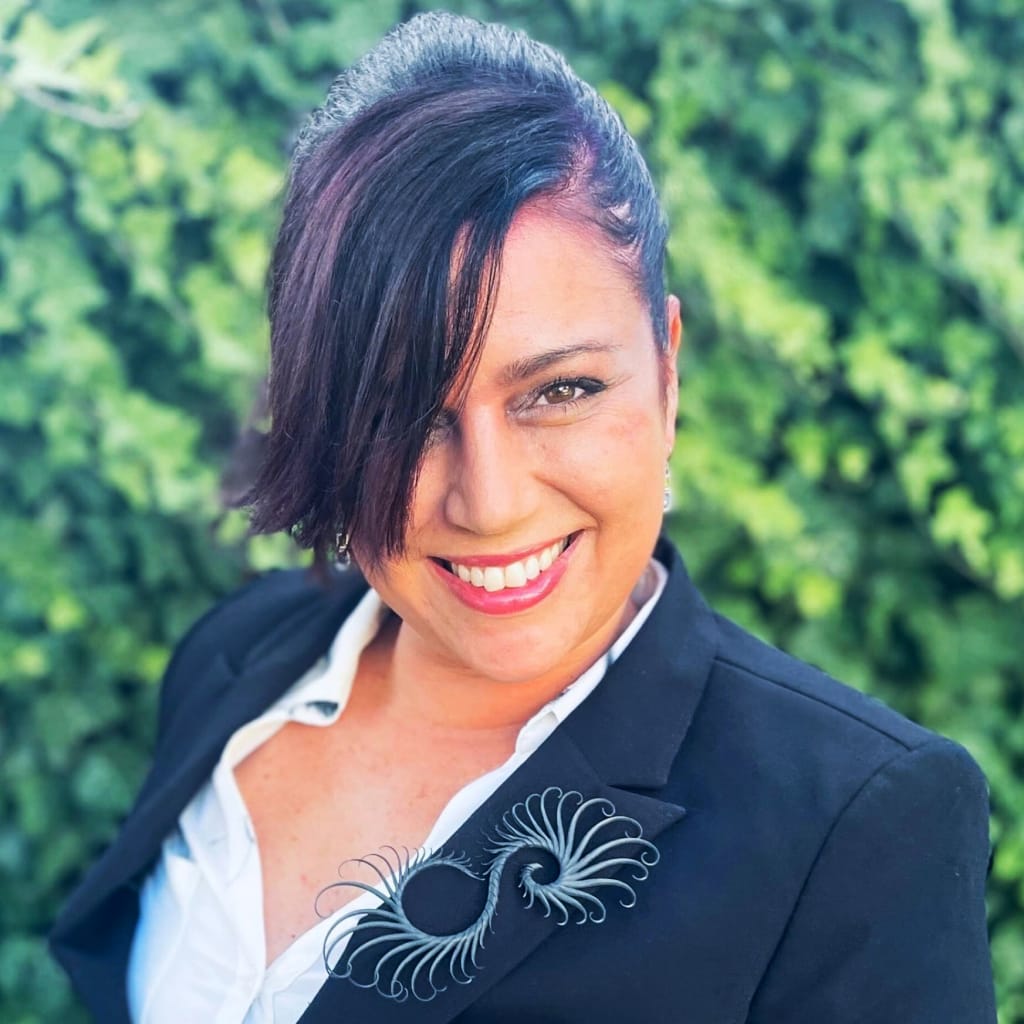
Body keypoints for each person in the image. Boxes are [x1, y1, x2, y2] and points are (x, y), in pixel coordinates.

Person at [50, 11, 996, 1023]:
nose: (489, 500)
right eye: (397, 409)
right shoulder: (234, 664)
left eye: (560, 390)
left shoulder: (852, 826)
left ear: (667, 372)